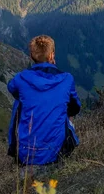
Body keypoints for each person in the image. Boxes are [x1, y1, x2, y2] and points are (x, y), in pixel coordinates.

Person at [7, 35, 81, 167]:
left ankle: (17, 146)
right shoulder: (66, 79)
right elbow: (76, 108)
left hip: (25, 155)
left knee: (20, 102)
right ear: (52, 55)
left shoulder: (21, 78)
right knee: (66, 107)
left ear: (31, 56)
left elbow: (11, 88)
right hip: (56, 152)